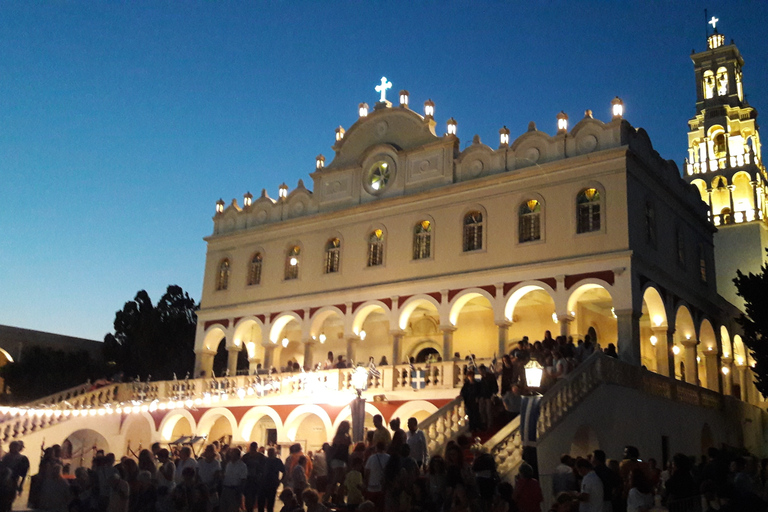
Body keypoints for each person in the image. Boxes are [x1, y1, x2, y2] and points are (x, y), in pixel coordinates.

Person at [0, 440, 28, 511]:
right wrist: (21, 486)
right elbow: (23, 474)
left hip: (7, 483)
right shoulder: (21, 458)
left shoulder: (5, 456)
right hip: (10, 483)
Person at [364, 442, 390, 511]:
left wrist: (366, 485)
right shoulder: (388, 458)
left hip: (371, 487)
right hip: (382, 488)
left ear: (376, 448)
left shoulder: (371, 458)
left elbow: (367, 472)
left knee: (370, 508)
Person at [220, 448, 247, 512]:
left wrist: (239, 493)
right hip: (225, 489)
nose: (231, 455)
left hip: (234, 490)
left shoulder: (242, 466)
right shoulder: (229, 464)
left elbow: (243, 480)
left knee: (232, 508)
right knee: (223, 508)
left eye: (232, 454)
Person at [258, 447, 284, 512]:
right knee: (269, 503)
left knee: (263, 503)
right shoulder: (277, 461)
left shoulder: (264, 460)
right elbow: (284, 471)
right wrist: (280, 480)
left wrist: (280, 480)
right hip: (270, 483)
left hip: (265, 483)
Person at [242, 442, 265, 512]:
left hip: (255, 479)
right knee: (251, 497)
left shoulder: (247, 456)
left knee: (252, 497)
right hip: (250, 479)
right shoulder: (247, 456)